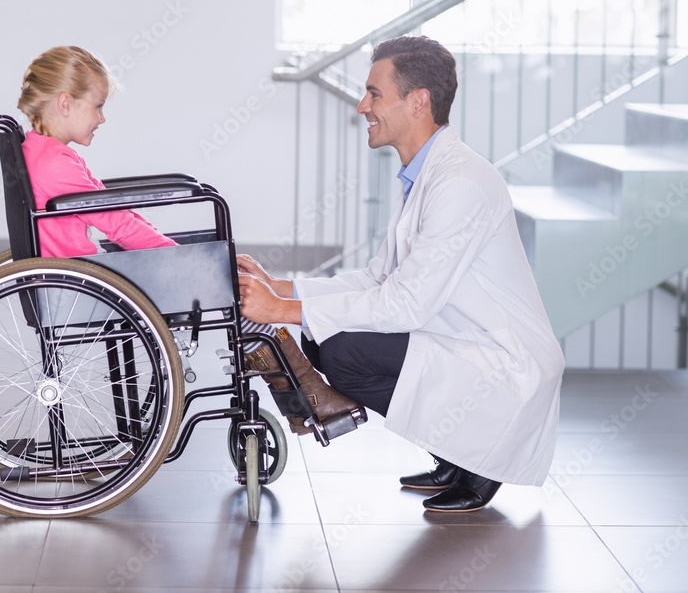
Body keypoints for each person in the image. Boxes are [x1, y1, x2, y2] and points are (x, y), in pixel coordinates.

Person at [237, 35, 564, 513]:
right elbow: (379, 278)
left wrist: (282, 310)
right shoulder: (425, 175)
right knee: (324, 337)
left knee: (342, 349)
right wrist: (278, 288)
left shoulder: (461, 183)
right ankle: (455, 455)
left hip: (504, 362)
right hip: (459, 340)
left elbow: (406, 304)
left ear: (418, 102)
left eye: (374, 94)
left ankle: (480, 461)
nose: (361, 106)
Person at [16, 45, 363, 434]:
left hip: (80, 281)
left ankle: (304, 397)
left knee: (229, 283)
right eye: (97, 106)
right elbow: (120, 226)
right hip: (85, 288)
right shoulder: (57, 163)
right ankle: (310, 397)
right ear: (65, 103)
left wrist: (183, 256)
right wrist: (186, 262)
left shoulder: (40, 153)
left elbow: (115, 214)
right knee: (235, 292)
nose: (102, 118)